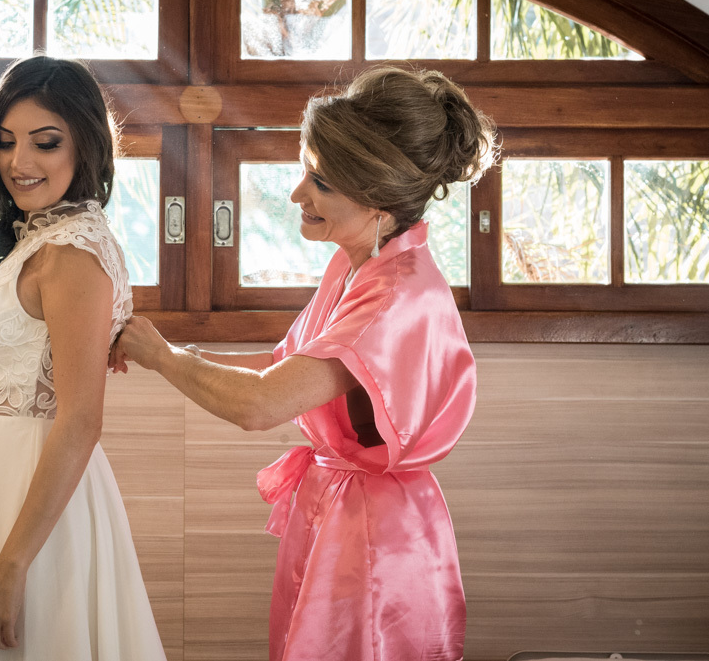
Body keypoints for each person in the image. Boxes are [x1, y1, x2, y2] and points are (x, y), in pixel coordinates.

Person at [112, 65, 497, 661]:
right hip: (344, 514)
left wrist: (162, 358)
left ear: (373, 196)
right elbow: (281, 366)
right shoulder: (360, 263)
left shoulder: (395, 294)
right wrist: (165, 351)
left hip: (377, 540)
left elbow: (260, 403)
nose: (297, 194)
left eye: (318, 181)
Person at [0, 55, 166, 661]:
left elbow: (80, 420)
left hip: (29, 501)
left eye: (46, 143)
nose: (20, 162)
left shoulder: (72, 251)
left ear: (86, 146)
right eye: (6, 142)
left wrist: (12, 567)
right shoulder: (40, 237)